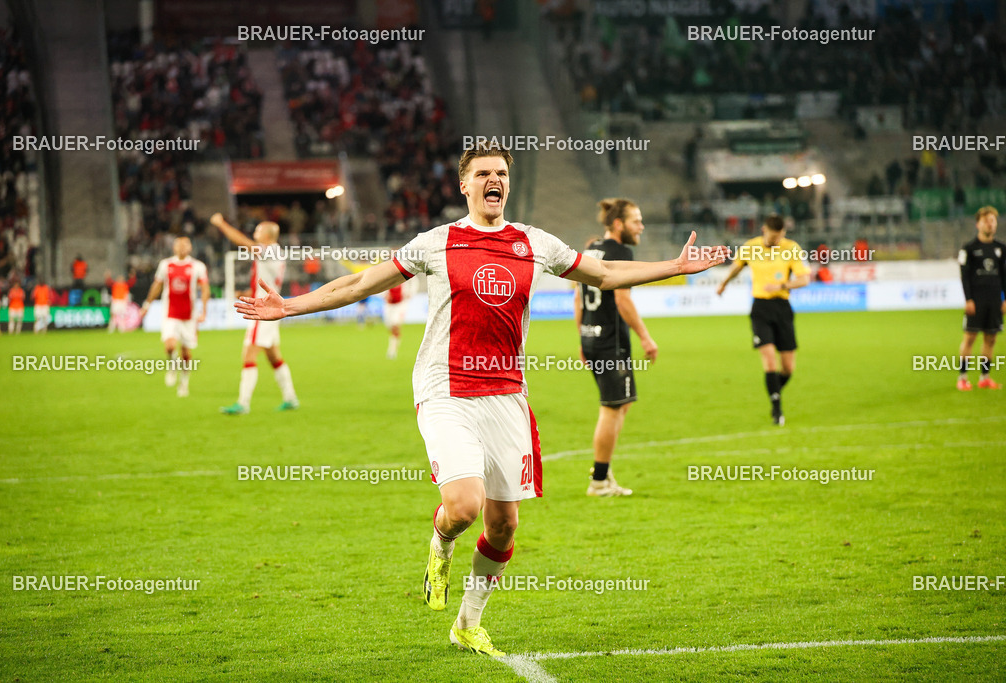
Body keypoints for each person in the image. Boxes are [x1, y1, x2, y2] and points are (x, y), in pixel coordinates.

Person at [234, 142, 728, 657]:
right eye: (483, 173)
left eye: (501, 174)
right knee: (464, 506)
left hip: (506, 393)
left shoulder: (533, 243)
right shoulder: (436, 242)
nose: (494, 180)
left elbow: (603, 274)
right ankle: (440, 543)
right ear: (465, 185)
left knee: (505, 522)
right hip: (444, 388)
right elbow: (361, 284)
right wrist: (289, 305)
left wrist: (674, 265)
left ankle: (468, 623)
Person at [575, 198, 658, 497]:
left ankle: (604, 468)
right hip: (611, 343)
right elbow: (623, 300)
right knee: (612, 408)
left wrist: (582, 337)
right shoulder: (620, 252)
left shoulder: (591, 249)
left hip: (592, 336)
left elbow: (577, 298)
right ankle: (599, 480)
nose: (641, 226)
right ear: (619, 224)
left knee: (621, 402)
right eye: (636, 221)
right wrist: (646, 338)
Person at [716, 214, 810, 425]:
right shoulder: (750, 247)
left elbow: (804, 279)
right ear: (763, 230)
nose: (775, 241)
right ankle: (777, 409)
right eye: (772, 237)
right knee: (769, 361)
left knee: (788, 369)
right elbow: (737, 267)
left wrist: (782, 286)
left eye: (779, 237)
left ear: (783, 234)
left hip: (782, 308)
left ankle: (773, 391)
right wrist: (723, 283)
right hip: (760, 308)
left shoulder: (791, 248)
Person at [210, 213, 300, 414]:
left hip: (263, 312)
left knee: (249, 354)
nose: (254, 233)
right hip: (269, 307)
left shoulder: (269, 251)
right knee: (273, 356)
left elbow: (243, 242)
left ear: (268, 235)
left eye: (258, 230)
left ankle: (243, 403)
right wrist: (246, 293)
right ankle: (291, 398)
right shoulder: (274, 252)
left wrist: (221, 224)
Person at [139, 237, 209, 398]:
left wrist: (204, 310)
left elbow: (205, 288)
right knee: (170, 346)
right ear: (174, 247)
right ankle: (172, 365)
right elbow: (157, 285)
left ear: (190, 247)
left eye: (185, 244)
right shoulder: (166, 264)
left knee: (186, 352)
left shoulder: (197, 266)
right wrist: (147, 305)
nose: (182, 247)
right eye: (178, 244)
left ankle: (184, 382)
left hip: (189, 316)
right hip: (170, 313)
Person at [957, 206, 1006, 390]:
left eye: (993, 220)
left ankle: (984, 377)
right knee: (970, 338)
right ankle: (962, 378)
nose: (990, 224)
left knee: (991, 339)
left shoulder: (1001, 249)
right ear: (978, 224)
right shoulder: (969, 248)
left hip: (995, 301)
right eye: (986, 220)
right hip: (976, 301)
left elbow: (1004, 276)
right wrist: (968, 299)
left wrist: (1005, 299)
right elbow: (964, 275)